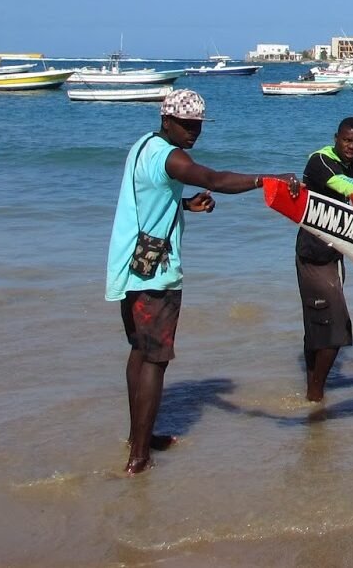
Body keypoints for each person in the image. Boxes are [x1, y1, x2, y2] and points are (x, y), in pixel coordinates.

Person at [105, 89, 300, 476]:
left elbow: (149, 197)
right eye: (187, 125)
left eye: (198, 126)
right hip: (156, 271)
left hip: (130, 262)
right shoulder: (172, 157)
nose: (194, 132)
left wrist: (185, 205)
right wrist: (267, 179)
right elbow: (215, 178)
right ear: (167, 121)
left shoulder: (143, 146)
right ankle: (140, 458)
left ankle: (140, 437)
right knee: (155, 361)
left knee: (139, 353)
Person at [295, 117, 353, 403]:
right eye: (347, 141)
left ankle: (312, 396)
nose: (351, 147)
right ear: (336, 137)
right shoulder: (320, 160)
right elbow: (343, 186)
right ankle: (316, 395)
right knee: (337, 328)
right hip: (312, 254)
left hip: (334, 253)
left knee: (318, 325)